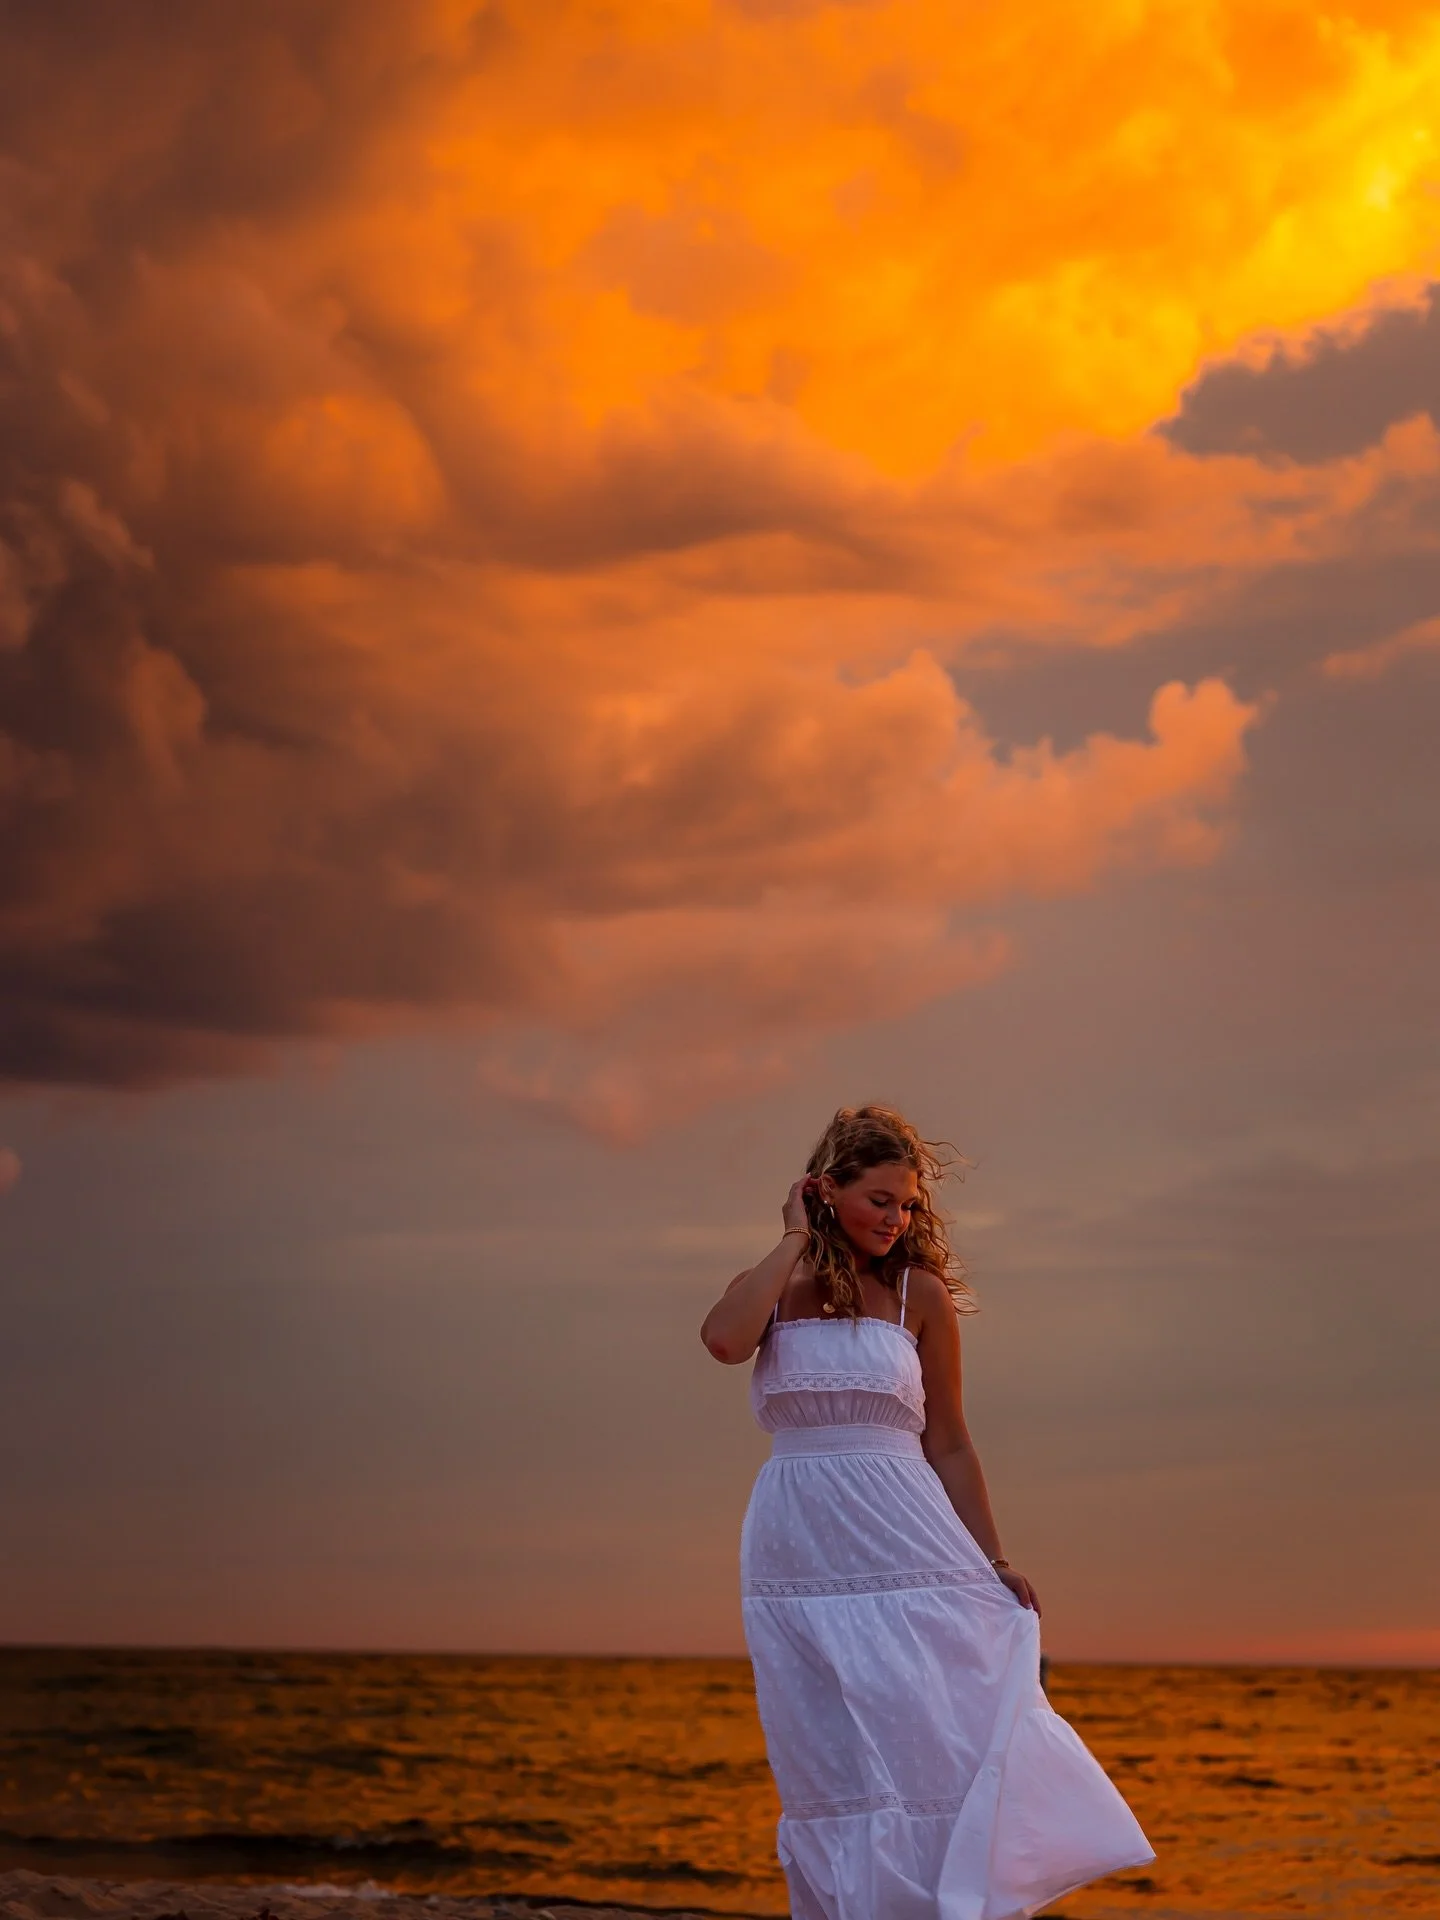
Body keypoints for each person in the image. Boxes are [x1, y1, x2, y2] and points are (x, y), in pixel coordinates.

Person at [700, 1104, 1154, 1920]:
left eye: (908, 1205)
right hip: (798, 1545)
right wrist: (792, 1238)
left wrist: (992, 1560)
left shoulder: (920, 1295)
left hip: (908, 1534)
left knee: (931, 1736)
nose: (897, 1219)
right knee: (828, 1752)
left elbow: (948, 1442)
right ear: (825, 1191)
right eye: (879, 1199)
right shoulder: (772, 1286)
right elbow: (725, 1342)